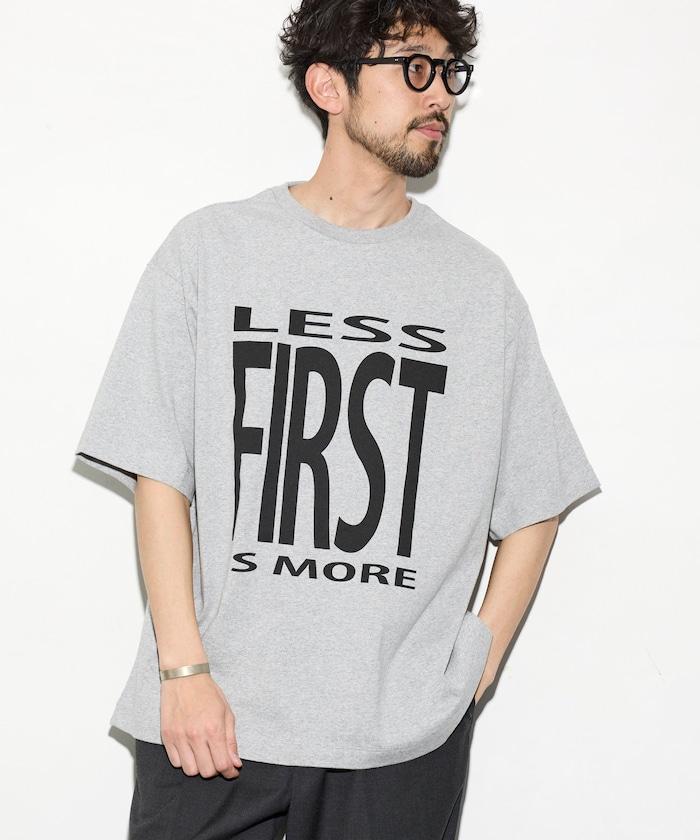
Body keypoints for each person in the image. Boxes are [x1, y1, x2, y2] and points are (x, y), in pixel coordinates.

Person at [74, 2, 602, 838]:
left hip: (399, 743)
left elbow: (538, 497)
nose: (441, 95)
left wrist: (470, 673)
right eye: (415, 67)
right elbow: (159, 474)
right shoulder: (212, 251)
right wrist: (183, 670)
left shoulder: (477, 289)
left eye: (450, 72)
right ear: (330, 85)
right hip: (214, 719)